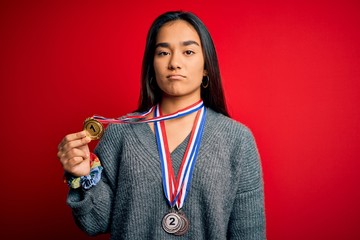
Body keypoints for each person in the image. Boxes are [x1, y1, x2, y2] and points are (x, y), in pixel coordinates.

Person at [57, 10, 266, 239]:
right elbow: (94, 222)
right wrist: (81, 176)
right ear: (152, 65)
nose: (175, 63)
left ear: (206, 66)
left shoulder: (238, 140)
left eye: (188, 51)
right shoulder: (120, 134)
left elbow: (249, 233)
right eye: (163, 52)